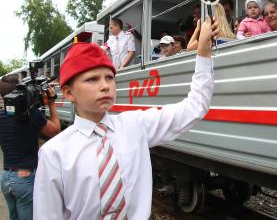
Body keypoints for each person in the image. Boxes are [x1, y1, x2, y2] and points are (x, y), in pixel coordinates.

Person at [33, 17, 217, 220]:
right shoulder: (54, 153)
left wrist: (203, 54)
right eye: (92, 79)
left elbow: (194, 108)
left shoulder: (135, 125)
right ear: (68, 93)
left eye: (109, 77)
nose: (105, 86)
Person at [0, 74, 60, 220]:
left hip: (6, 177)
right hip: (24, 178)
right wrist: (51, 102)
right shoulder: (31, 115)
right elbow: (55, 131)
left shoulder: (2, 115)